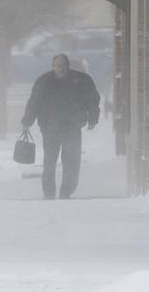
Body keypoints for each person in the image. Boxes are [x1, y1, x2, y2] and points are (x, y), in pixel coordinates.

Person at [21, 54, 100, 200]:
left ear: (68, 65)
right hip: (49, 127)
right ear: (53, 66)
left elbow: (92, 99)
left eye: (63, 65)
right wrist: (27, 121)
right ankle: (49, 192)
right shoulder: (44, 81)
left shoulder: (81, 80)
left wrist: (93, 119)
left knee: (71, 161)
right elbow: (34, 102)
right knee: (49, 162)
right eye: (58, 65)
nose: (60, 68)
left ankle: (66, 191)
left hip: (72, 126)